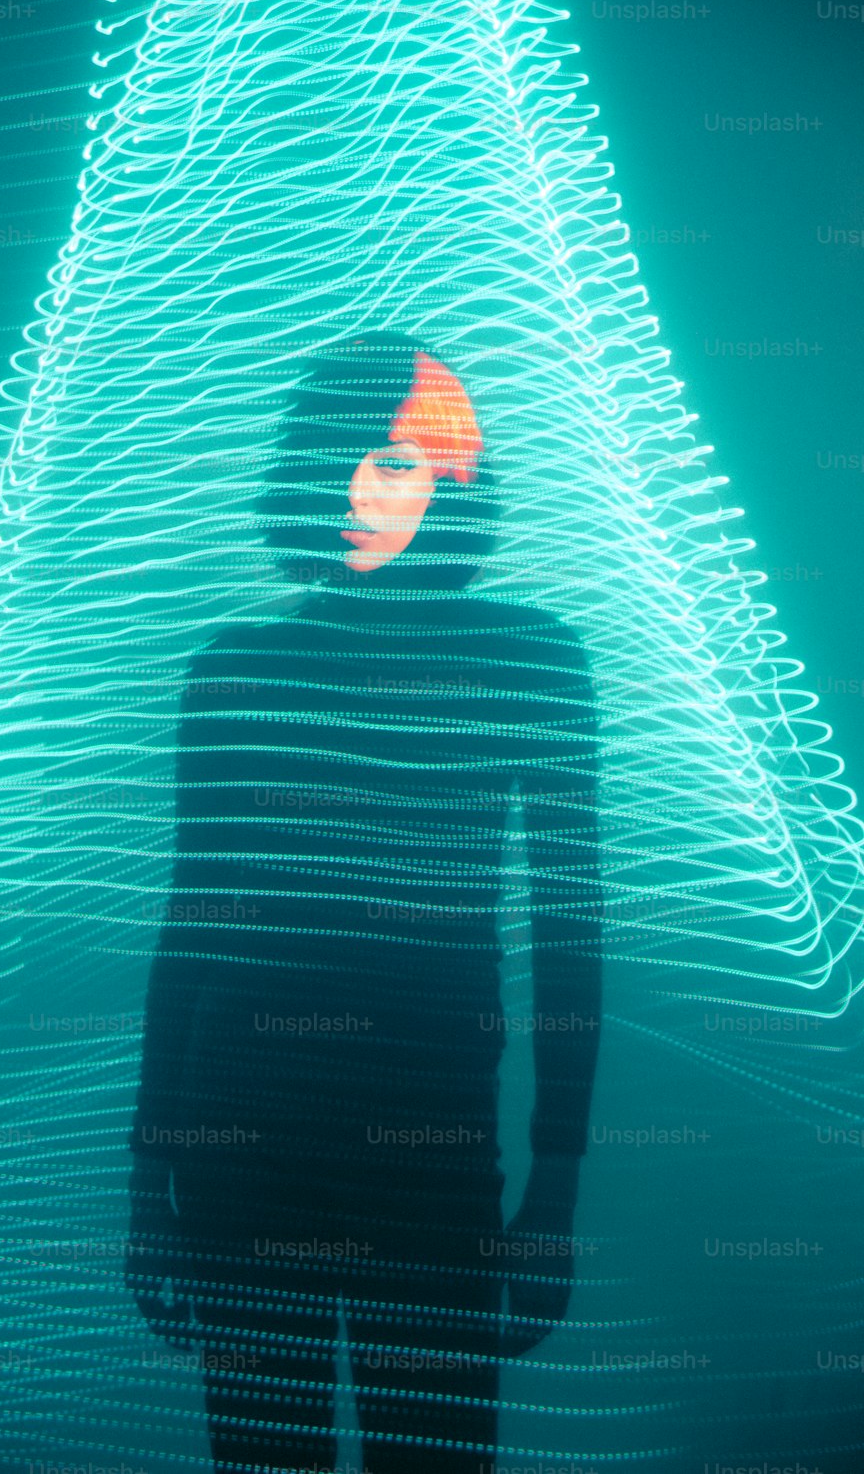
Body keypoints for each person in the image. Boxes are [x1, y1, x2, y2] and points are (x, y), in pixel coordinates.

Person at [126, 331, 603, 1474]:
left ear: (455, 481)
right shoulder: (235, 666)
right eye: (337, 457)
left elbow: (570, 935)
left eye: (391, 461)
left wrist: (552, 1197)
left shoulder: (529, 662)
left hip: (428, 1154)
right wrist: (150, 1186)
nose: (355, 491)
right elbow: (193, 929)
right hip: (250, 1145)